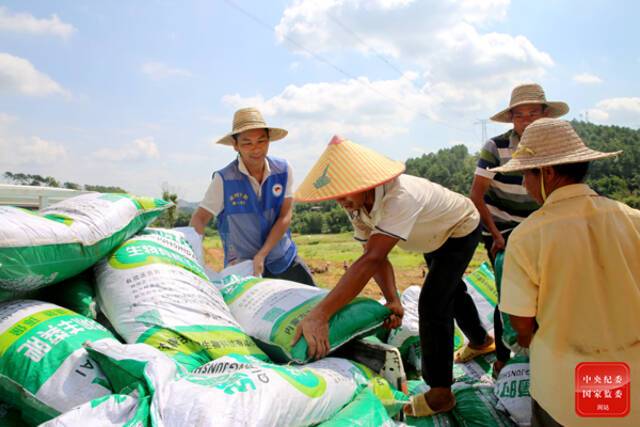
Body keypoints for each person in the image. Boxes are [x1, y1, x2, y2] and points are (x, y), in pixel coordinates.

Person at [292, 136, 495, 416]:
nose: (342, 203)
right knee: (451, 290)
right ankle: (481, 342)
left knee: (433, 304)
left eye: (345, 194)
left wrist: (320, 314)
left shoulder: (400, 197)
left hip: (460, 228)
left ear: (366, 184)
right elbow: (376, 258)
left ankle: (440, 394)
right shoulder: (357, 206)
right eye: (336, 196)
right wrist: (392, 300)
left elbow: (370, 259)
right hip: (432, 237)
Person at [492, 118, 639, 426]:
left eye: (525, 175)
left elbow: (521, 323)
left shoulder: (528, 235)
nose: (524, 185)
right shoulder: (633, 219)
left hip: (565, 388)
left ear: (546, 172)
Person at [469, 83, 569, 375]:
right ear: (512, 118)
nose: (526, 121)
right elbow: (476, 196)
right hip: (501, 229)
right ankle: (503, 360)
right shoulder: (496, 147)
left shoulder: (555, 147)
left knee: (545, 292)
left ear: (545, 115)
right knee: (510, 295)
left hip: (542, 228)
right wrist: (497, 236)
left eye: (533, 114)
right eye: (520, 115)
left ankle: (542, 354)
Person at [190, 107, 315, 285]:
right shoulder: (224, 179)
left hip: (282, 258)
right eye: (247, 143)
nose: (255, 149)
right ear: (235, 145)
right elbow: (200, 218)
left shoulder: (283, 170)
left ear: (269, 141)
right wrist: (192, 256)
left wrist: (263, 253)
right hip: (244, 268)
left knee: (314, 303)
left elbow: (285, 215)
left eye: (261, 141)